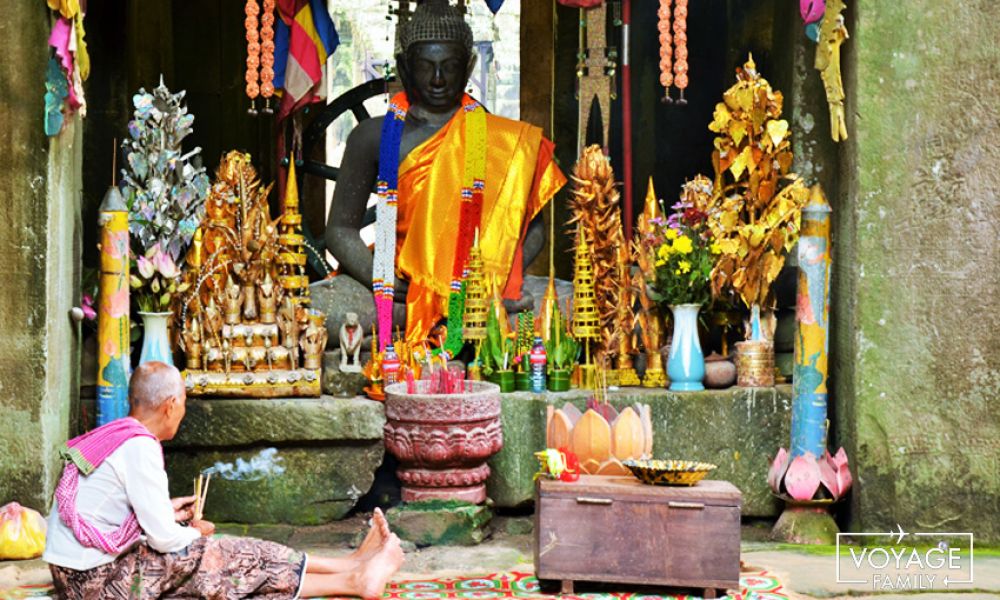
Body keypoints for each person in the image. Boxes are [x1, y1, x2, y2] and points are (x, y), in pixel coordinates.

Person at [43, 361, 404, 599]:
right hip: (93, 583)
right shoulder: (139, 446)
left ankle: (353, 566)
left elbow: (109, 512)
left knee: (216, 567)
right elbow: (165, 539)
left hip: (74, 575)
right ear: (170, 404)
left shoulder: (117, 434)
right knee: (220, 556)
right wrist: (196, 536)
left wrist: (168, 513)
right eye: (183, 402)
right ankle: (354, 576)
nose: (182, 411)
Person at [324, 0, 566, 345]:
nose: (438, 79)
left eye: (449, 67)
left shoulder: (500, 139)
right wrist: (385, 281)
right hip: (396, 284)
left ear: (467, 67)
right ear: (404, 67)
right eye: (426, 66)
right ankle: (443, 318)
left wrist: (492, 281)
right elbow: (340, 230)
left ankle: (453, 316)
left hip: (478, 288)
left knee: (565, 305)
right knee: (322, 312)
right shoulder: (373, 136)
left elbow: (535, 230)